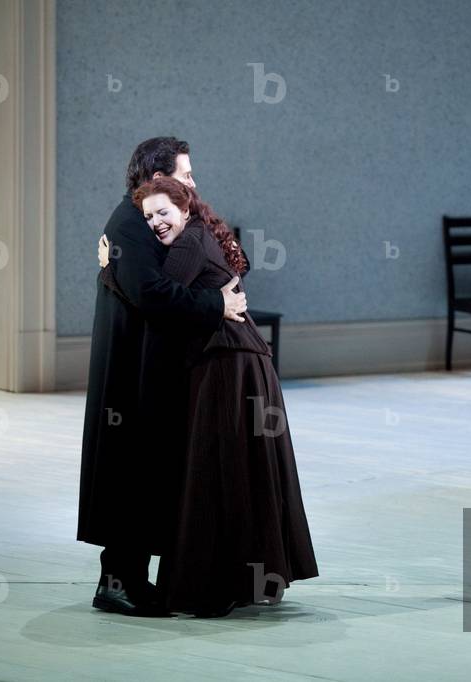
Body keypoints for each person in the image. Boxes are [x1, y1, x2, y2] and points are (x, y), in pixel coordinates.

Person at [100, 177, 318, 616]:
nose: (156, 222)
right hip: (239, 361)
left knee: (216, 470)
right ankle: (234, 581)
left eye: (163, 212)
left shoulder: (189, 243)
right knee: (234, 470)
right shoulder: (200, 235)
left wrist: (109, 272)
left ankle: (211, 587)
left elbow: (155, 300)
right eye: (148, 216)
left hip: (227, 364)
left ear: (185, 210)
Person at [78, 137, 248, 617]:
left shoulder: (158, 216)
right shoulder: (130, 223)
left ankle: (134, 581)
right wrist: (218, 304)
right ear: (159, 177)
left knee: (148, 477)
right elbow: (153, 293)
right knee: (130, 477)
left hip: (152, 368)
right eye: (185, 173)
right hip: (130, 374)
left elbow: (222, 254)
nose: (193, 181)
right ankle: (117, 584)